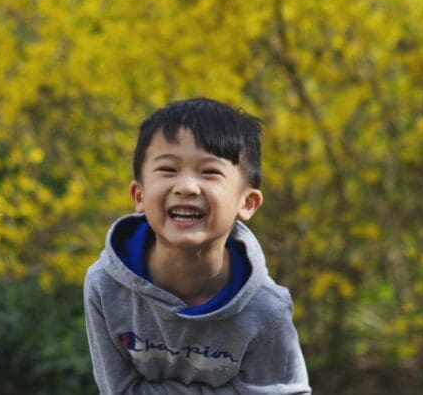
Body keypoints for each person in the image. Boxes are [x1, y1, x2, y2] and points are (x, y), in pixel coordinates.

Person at [84, 97, 311, 394]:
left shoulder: (265, 308)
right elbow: (120, 390)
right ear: (139, 195)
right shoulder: (106, 287)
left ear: (247, 203)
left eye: (210, 172)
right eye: (167, 169)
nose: (187, 187)